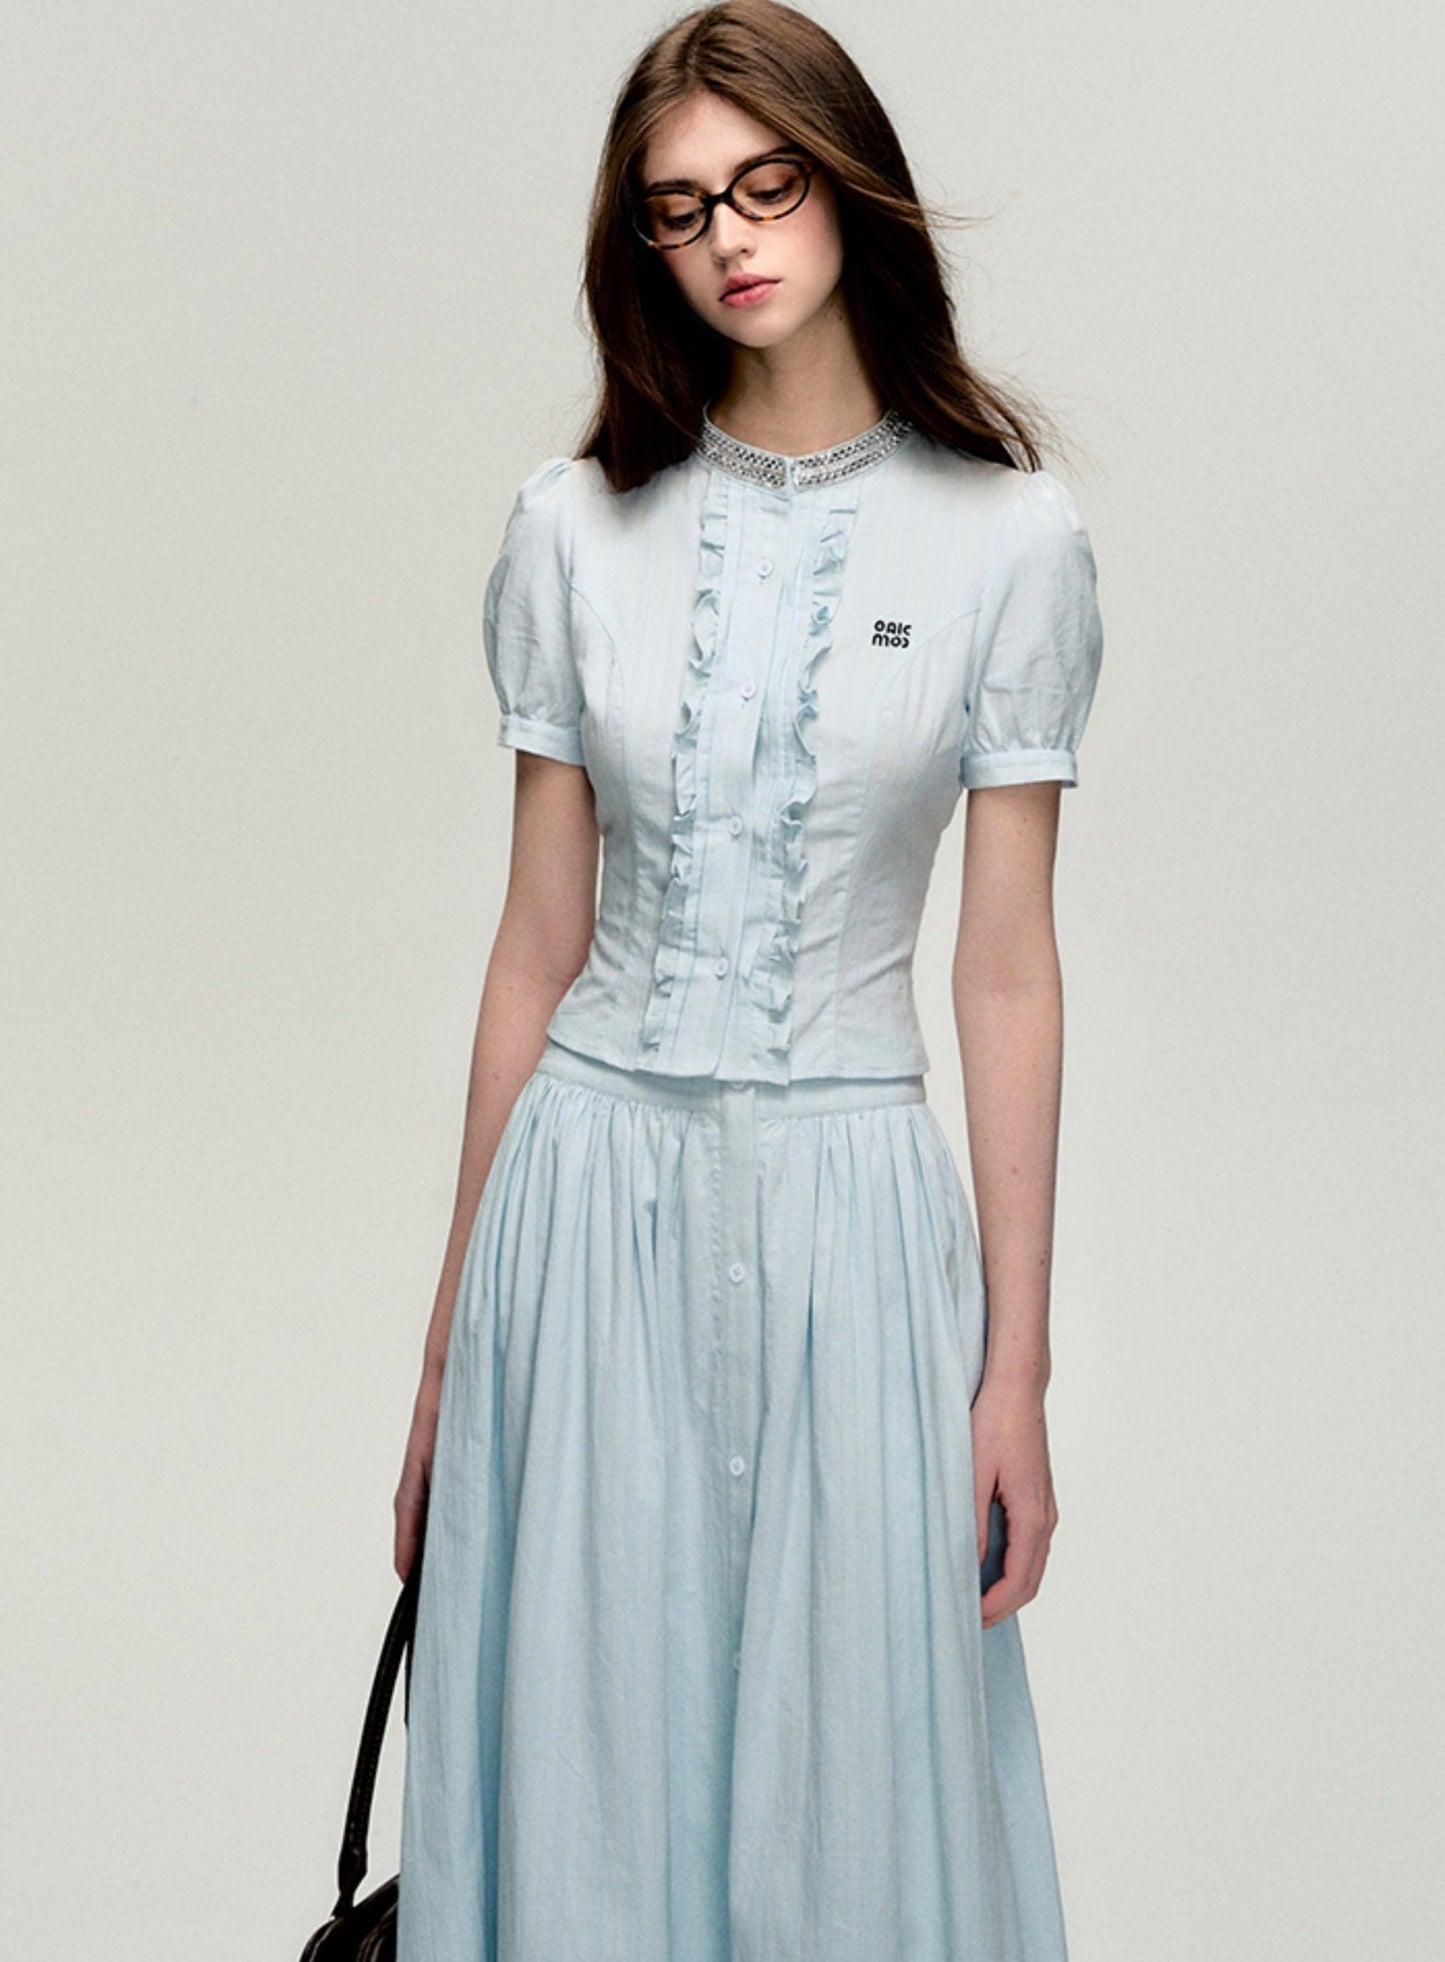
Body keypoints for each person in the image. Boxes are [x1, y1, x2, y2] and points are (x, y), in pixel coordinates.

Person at [394, 2, 1104, 1956]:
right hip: (582, 1210)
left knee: (855, 1789)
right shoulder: (573, 529)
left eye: (766, 183)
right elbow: (535, 947)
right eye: (679, 206)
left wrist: (1016, 1370)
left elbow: (1007, 977)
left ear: (848, 184)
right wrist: (450, 1356)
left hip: (855, 1224)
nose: (729, 237)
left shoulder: (1011, 541)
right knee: (583, 1771)